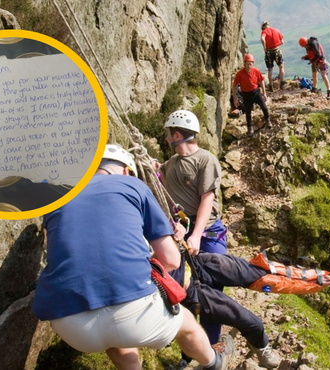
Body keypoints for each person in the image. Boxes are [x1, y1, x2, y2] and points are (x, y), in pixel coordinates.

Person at [32, 144, 233, 370]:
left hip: (69, 323)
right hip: (132, 313)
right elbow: (171, 259)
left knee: (115, 339)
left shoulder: (58, 194)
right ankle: (214, 362)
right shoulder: (132, 185)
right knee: (186, 325)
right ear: (126, 170)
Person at [158, 110, 228, 345]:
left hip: (206, 232)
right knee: (183, 291)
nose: (167, 139)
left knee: (213, 289)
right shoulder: (171, 164)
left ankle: (212, 343)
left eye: (168, 135)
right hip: (182, 232)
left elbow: (207, 198)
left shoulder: (205, 159)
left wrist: (196, 235)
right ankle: (189, 348)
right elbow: (158, 172)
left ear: (177, 135)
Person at [232, 54, 271, 136]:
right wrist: (235, 98)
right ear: (244, 63)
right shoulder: (240, 73)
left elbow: (261, 81)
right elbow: (234, 85)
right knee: (248, 112)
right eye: (248, 64)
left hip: (256, 92)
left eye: (251, 64)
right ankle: (250, 129)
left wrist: (264, 93)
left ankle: (268, 121)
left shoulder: (256, 70)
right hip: (246, 95)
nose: (249, 66)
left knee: (264, 107)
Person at [260, 21, 285, 91]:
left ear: (263, 27)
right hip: (277, 51)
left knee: (270, 69)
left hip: (268, 53)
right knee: (281, 66)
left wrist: (264, 46)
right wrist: (275, 45)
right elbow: (282, 41)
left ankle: (271, 86)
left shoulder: (264, 32)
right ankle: (282, 83)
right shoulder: (276, 30)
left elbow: (262, 38)